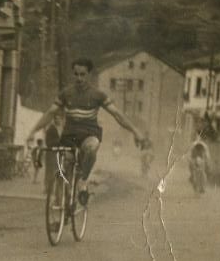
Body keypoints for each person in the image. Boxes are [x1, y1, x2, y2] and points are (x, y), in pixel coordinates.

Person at [26, 57, 149, 209]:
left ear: (89, 75)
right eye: (76, 74)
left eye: (83, 74)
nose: (79, 78)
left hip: (89, 134)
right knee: (65, 168)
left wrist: (135, 131)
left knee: (91, 148)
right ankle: (63, 204)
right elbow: (50, 113)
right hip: (69, 136)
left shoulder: (98, 95)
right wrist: (32, 131)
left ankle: (83, 181)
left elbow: (117, 115)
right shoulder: (66, 94)